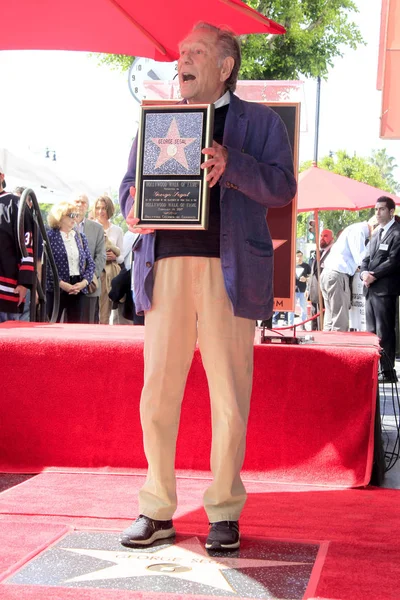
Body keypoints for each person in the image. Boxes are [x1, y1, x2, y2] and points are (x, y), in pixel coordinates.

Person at [119, 23, 296, 551]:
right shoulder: (156, 119)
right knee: (157, 395)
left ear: (225, 65)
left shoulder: (259, 122)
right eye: (180, 53)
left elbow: (283, 186)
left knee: (229, 398)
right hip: (166, 267)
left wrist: (232, 164)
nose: (182, 60)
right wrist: (133, 210)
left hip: (231, 270)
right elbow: (129, 187)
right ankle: (157, 508)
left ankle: (223, 509)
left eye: (195, 52)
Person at [360, 196, 400, 383]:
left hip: (385, 289)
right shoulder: (375, 232)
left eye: (381, 209)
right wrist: (363, 274)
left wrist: (373, 274)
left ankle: (387, 371)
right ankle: (374, 368)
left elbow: (393, 261)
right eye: (375, 209)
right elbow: (365, 257)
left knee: (385, 332)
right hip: (370, 289)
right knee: (371, 332)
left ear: (391, 211)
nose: (377, 213)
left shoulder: (397, 232)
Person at [320, 218, 376, 332]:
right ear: (375, 227)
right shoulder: (358, 231)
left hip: (329, 273)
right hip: (337, 275)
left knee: (330, 319)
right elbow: (361, 257)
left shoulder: (353, 229)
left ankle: (327, 346)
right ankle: (336, 348)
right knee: (339, 320)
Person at [46, 201, 95, 323]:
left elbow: (90, 263)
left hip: (78, 287)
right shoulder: (49, 237)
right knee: (53, 325)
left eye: (76, 215)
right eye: (71, 215)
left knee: (76, 327)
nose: (75, 218)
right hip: (56, 288)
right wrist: (62, 284)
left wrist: (84, 282)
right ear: (60, 216)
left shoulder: (80, 237)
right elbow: (46, 266)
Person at [0, 166, 34, 322]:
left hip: (8, 289)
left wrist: (24, 283)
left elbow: (28, 245)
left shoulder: (16, 205)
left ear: (1, 176)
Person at [73, 193, 106, 323]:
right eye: (77, 201)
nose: (80, 205)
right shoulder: (61, 226)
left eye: (83, 202)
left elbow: (101, 256)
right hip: (66, 286)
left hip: (89, 287)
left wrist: (88, 279)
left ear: (87, 207)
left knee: (87, 327)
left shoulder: (97, 228)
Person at [93, 195, 124, 324]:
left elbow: (122, 257)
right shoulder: (91, 227)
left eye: (104, 208)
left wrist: (115, 257)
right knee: (92, 309)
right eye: (98, 208)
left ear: (109, 210)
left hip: (109, 275)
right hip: (93, 273)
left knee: (105, 312)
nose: (101, 211)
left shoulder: (117, 230)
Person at [308, 229, 334, 330]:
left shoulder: (333, 253)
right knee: (314, 324)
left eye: (325, 236)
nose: (322, 238)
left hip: (323, 295)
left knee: (321, 324)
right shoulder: (319, 253)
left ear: (332, 239)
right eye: (321, 236)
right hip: (314, 294)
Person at [288, 250, 310, 328]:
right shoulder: (292, 265)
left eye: (301, 256)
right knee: (291, 308)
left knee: (303, 308)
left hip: (303, 290)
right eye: (297, 256)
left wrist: (306, 279)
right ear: (295, 256)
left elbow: (310, 277)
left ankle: (303, 324)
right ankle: (290, 325)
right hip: (293, 290)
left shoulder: (307, 266)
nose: (299, 258)